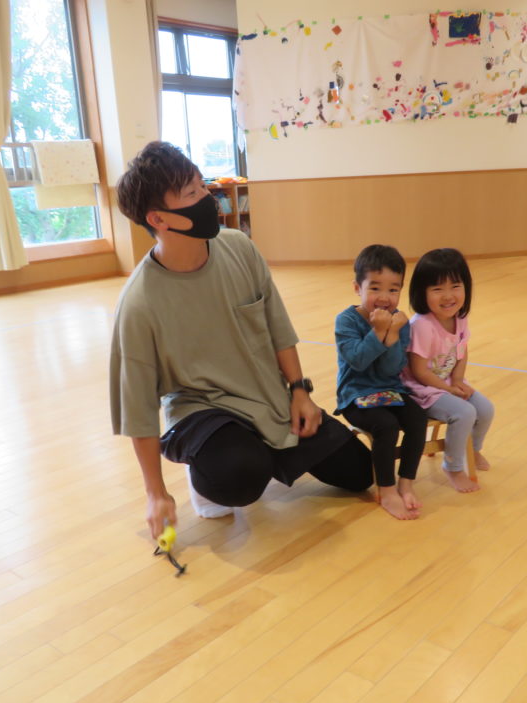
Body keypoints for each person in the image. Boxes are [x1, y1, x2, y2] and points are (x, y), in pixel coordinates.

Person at [110, 141, 372, 539]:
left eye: (203, 185)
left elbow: (278, 327)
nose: (207, 198)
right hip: (201, 409)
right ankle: (209, 471)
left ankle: (253, 447)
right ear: (158, 218)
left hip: (266, 396)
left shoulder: (239, 248)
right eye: (192, 193)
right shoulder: (138, 304)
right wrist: (155, 493)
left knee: (361, 473)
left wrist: (300, 392)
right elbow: (138, 409)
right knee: (239, 476)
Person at [335, 245, 428, 520]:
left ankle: (406, 484)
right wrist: (378, 331)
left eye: (393, 289)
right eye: (375, 288)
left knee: (417, 419)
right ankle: (386, 490)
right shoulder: (346, 321)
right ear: (357, 288)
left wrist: (393, 334)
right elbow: (358, 360)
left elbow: (392, 368)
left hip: (390, 390)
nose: (385, 298)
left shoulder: (401, 322)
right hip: (355, 395)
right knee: (386, 426)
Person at [402, 248, 494, 493]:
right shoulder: (422, 325)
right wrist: (448, 389)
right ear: (422, 292)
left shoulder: (460, 317)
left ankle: (473, 450)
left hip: (446, 383)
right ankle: (453, 467)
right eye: (437, 289)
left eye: (455, 286)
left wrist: (458, 380)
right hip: (421, 390)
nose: (448, 296)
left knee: (485, 409)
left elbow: (461, 350)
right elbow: (419, 372)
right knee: (464, 413)